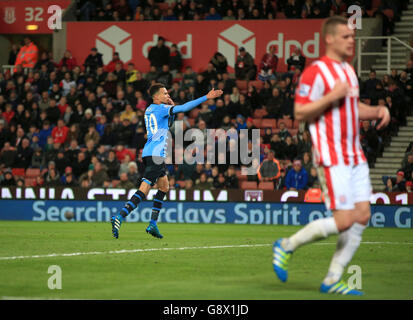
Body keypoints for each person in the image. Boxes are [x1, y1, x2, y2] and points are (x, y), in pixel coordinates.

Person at [272, 16, 391, 296]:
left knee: (362, 215)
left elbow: (351, 106)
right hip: (331, 154)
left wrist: (376, 111)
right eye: (346, 37)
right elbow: (300, 112)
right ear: (329, 39)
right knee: (344, 219)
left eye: (352, 37)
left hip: (355, 155)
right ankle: (286, 245)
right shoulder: (315, 72)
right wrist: (331, 96)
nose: (352, 41)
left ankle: (332, 279)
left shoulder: (348, 72)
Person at [111, 84, 223, 239]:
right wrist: (206, 97)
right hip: (156, 153)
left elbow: (167, 124)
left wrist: (171, 108)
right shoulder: (160, 108)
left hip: (152, 152)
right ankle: (120, 216)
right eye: (164, 93)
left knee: (164, 186)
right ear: (156, 97)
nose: (167, 95)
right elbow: (183, 109)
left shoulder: (150, 109)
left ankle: (153, 224)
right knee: (145, 188)